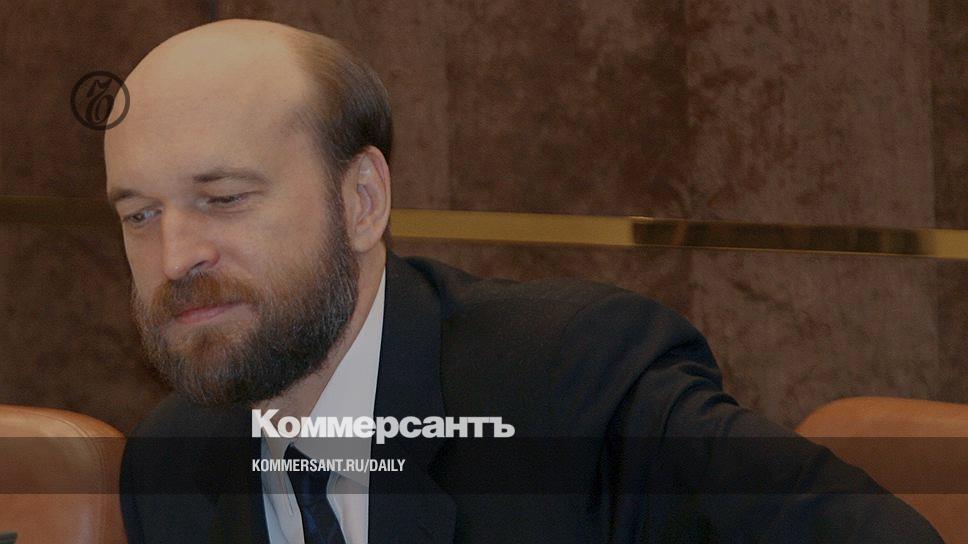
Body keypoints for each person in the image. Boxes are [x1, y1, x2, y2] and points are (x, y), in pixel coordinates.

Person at [106, 19, 942, 544]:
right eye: (139, 214)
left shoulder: (571, 384)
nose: (175, 258)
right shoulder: (170, 464)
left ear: (361, 202)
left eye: (223, 199)